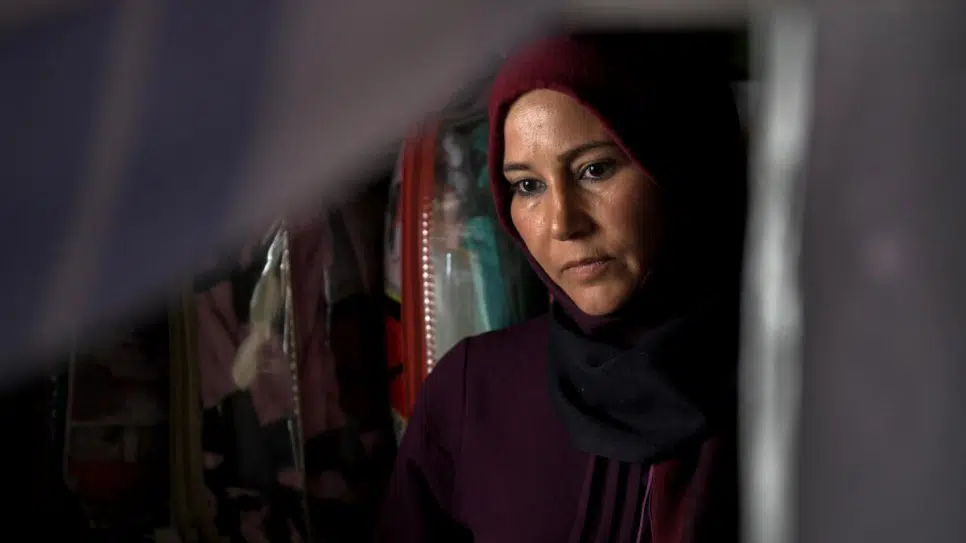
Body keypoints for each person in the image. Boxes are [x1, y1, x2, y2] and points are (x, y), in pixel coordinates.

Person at [376, 31, 747, 543]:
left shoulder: (806, 387)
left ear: (682, 165)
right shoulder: (471, 394)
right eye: (528, 186)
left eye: (595, 170)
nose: (562, 224)